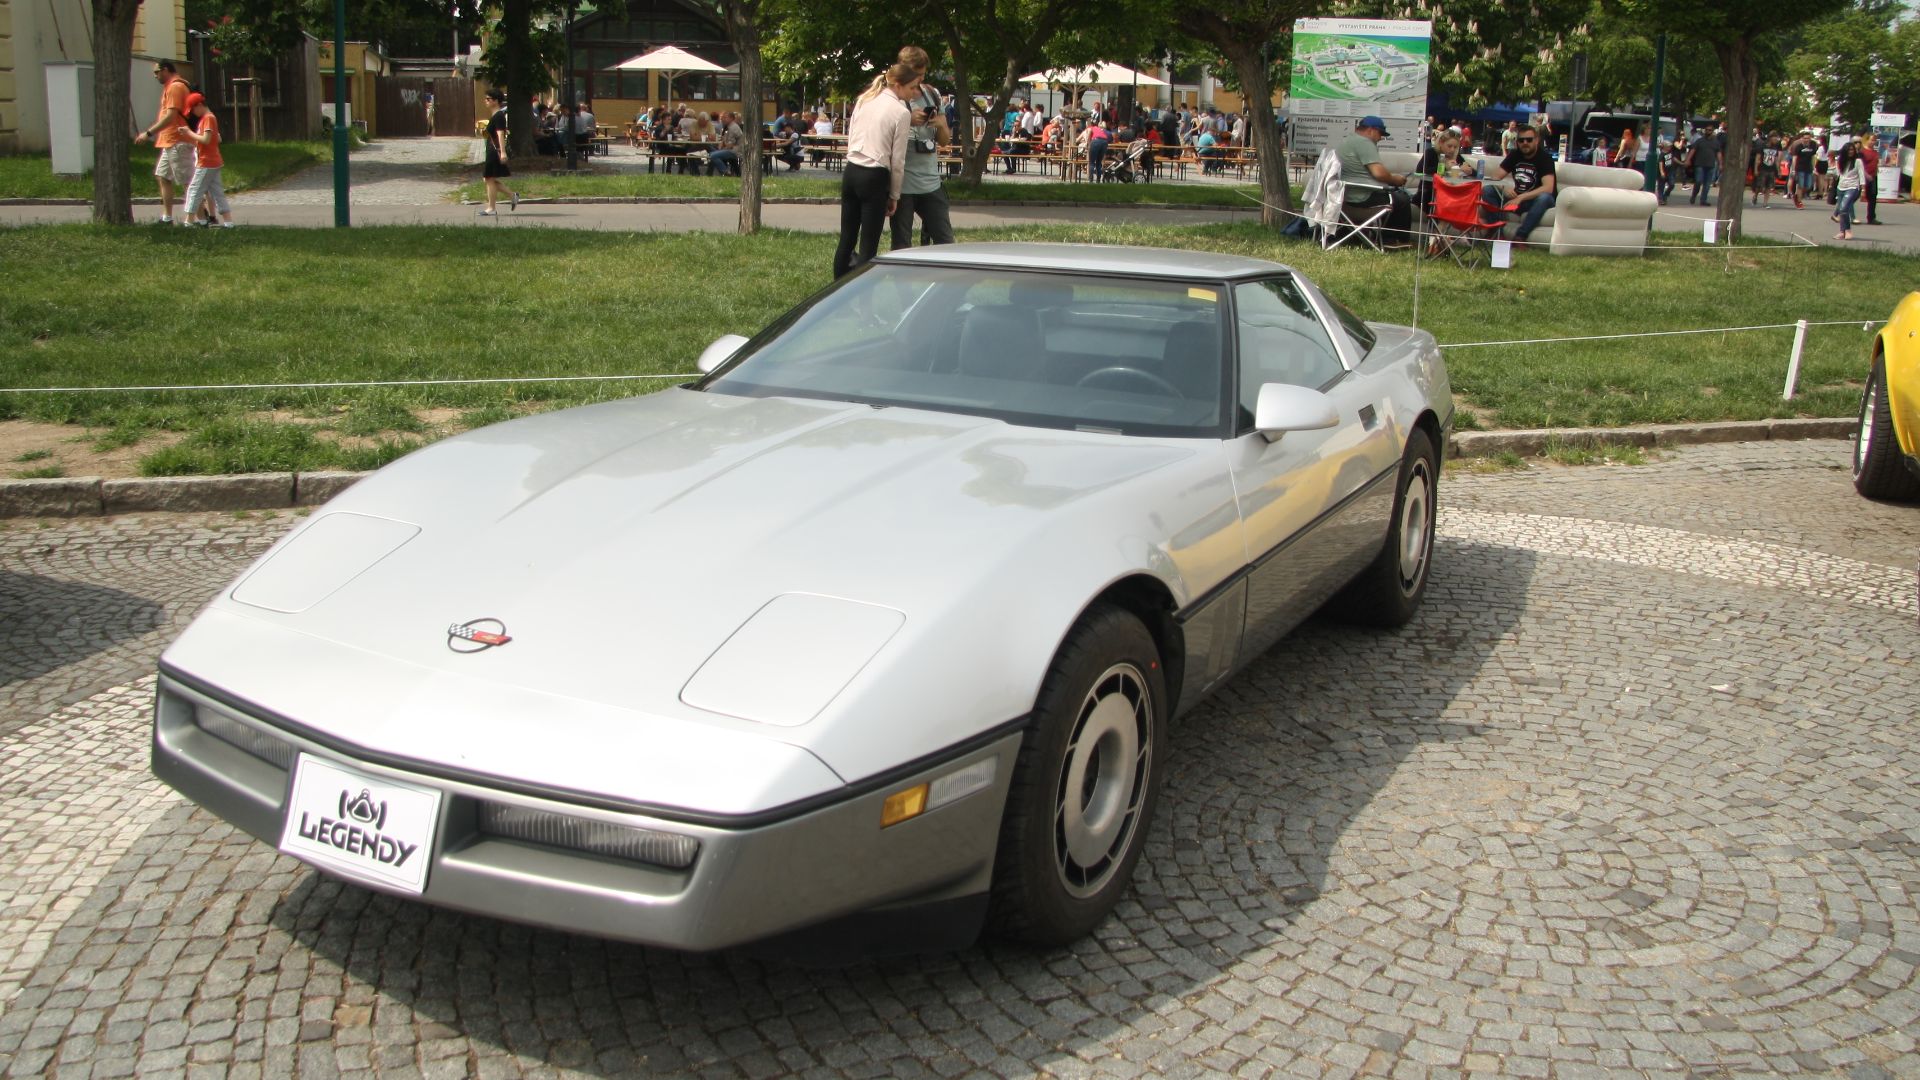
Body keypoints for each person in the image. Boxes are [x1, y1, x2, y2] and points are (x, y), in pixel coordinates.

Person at [832, 61, 918, 279]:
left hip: (852, 169)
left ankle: (835, 293)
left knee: (847, 238)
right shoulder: (901, 112)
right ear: (898, 85)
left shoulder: (864, 100)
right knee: (869, 245)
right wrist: (895, 195)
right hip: (874, 175)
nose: (915, 93)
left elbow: (851, 138)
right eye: (912, 88)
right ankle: (862, 299)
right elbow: (898, 160)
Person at [891, 49, 954, 250]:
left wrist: (941, 125)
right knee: (902, 244)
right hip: (903, 185)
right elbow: (883, 134)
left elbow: (944, 141)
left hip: (930, 182)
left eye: (923, 74)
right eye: (915, 74)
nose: (919, 79)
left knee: (945, 241)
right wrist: (907, 120)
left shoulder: (932, 94)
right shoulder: (894, 97)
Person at [1336, 115, 1412, 247]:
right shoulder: (1364, 142)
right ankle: (1394, 240)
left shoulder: (1348, 140)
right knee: (1402, 199)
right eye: (1380, 133)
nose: (1381, 138)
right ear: (1371, 130)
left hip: (1346, 195)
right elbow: (1379, 173)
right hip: (1361, 197)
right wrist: (1395, 180)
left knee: (1395, 196)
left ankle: (1376, 237)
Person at [133, 61, 193, 225]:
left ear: (165, 70)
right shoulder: (170, 86)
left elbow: (171, 116)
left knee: (188, 182)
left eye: (156, 72)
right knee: (163, 176)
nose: (155, 76)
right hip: (169, 141)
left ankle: (197, 219)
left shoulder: (175, 87)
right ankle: (167, 217)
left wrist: (149, 133)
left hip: (178, 140)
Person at [1481, 122, 1556, 244]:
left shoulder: (1545, 158)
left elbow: (1548, 188)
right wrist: (1503, 188)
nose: (1525, 143)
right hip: (1516, 198)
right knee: (1488, 190)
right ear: (1517, 142)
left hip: (1534, 200)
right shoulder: (1515, 155)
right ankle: (1496, 231)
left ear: (1536, 141)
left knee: (1545, 198)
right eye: (1521, 140)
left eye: (1529, 140)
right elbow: (1495, 177)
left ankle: (1520, 237)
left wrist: (1521, 197)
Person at [175, 94, 234, 228]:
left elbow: (206, 139)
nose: (194, 114)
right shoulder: (210, 118)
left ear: (200, 105)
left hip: (206, 162)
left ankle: (188, 222)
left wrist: (189, 133)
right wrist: (192, 137)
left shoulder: (208, 118)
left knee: (194, 190)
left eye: (193, 110)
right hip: (214, 161)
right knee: (217, 192)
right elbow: (216, 139)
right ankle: (228, 221)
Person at [1417, 129, 1477, 211]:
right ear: (1441, 143)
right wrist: (1445, 167)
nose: (1452, 150)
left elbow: (1475, 173)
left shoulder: (1456, 157)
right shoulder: (1431, 153)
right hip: (1428, 193)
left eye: (1455, 147)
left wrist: (1468, 170)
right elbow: (1420, 171)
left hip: (1450, 194)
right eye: (1449, 146)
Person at [479, 89, 517, 216]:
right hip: (492, 148)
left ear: (496, 101)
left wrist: (503, 152)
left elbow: (501, 134)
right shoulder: (495, 115)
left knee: (489, 178)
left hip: (495, 150)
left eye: (488, 99)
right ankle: (512, 195)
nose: (486, 101)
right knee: (488, 178)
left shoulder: (499, 116)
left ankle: (492, 208)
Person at [1833, 140, 1865, 240]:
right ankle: (1842, 231)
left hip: (1853, 187)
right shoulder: (1840, 161)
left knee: (1843, 208)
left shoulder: (1858, 161)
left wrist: (1863, 189)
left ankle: (1848, 231)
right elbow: (1838, 174)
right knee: (1843, 210)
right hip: (1841, 187)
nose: (1851, 151)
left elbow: (1861, 174)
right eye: (1849, 150)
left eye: (1852, 150)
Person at [1686, 128, 1716, 205]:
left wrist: (1721, 163)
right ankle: (1694, 195)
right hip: (1700, 165)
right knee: (1698, 181)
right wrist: (1688, 160)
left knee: (1707, 184)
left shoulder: (1715, 142)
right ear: (1705, 131)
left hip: (1711, 165)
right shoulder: (1700, 141)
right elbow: (1693, 150)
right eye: (1707, 130)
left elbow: (1718, 153)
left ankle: (1703, 200)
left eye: (1710, 130)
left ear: (1712, 132)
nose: (1708, 131)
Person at [1790, 132, 1816, 209]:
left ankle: (1797, 196)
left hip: (1809, 168)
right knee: (1800, 186)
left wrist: (1814, 167)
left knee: (1808, 186)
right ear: (1802, 139)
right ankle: (1799, 202)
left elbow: (1813, 157)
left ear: (1810, 138)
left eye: (1808, 138)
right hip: (1800, 168)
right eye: (1804, 138)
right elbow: (1794, 158)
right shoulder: (1798, 147)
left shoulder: (1813, 146)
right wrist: (1794, 170)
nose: (1806, 140)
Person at [1860, 136, 1881, 224]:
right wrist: (1865, 174)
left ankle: (1871, 217)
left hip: (1873, 177)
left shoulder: (1875, 152)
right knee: (1854, 196)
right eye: (1872, 140)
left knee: (1872, 196)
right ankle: (1843, 213)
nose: (1873, 142)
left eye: (1874, 140)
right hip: (1863, 176)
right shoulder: (1862, 152)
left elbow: (1876, 163)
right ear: (1866, 140)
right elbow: (1860, 165)